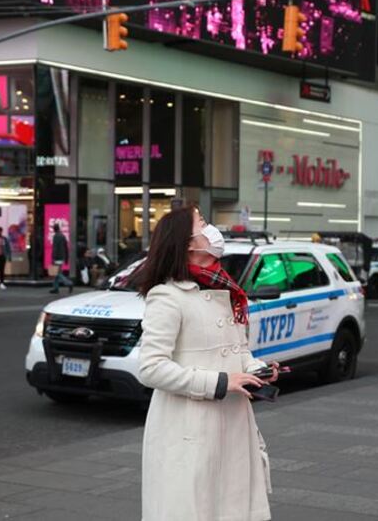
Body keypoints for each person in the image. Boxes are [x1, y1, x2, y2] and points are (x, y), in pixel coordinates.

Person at [131, 206, 276, 521]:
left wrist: (255, 370)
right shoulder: (167, 296)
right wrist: (220, 383)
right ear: (187, 243)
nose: (213, 229)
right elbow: (151, 367)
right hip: (190, 431)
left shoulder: (224, 289)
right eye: (204, 223)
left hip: (234, 425)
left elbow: (238, 351)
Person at [49, 223, 73, 294]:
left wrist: (53, 257)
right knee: (57, 273)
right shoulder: (63, 236)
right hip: (62, 257)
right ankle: (56, 288)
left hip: (57, 257)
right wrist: (66, 258)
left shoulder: (56, 236)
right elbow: (66, 248)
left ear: (54, 229)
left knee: (58, 273)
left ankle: (69, 283)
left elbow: (55, 248)